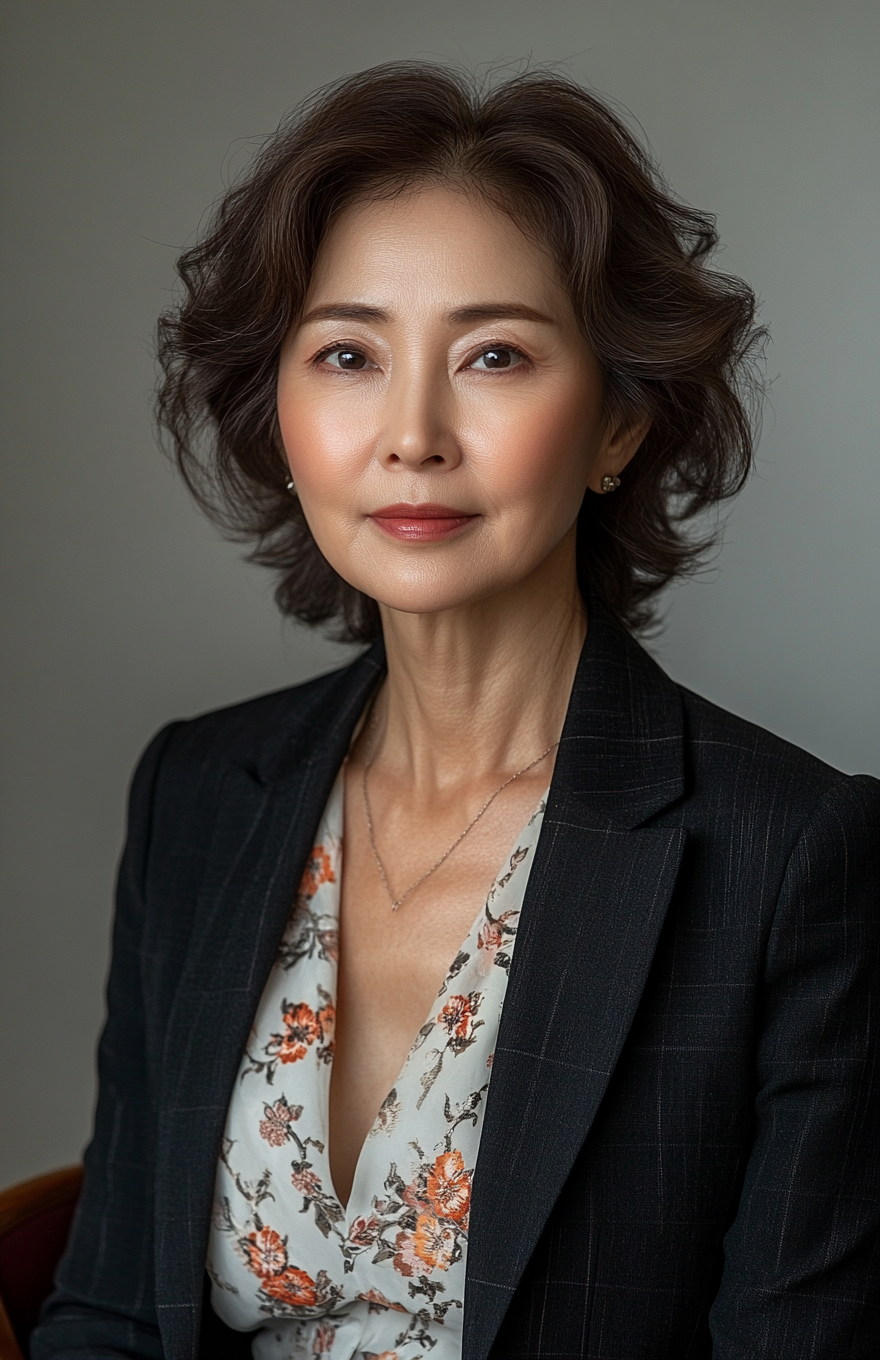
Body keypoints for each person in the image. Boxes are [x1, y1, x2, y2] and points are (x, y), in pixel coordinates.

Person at [33, 63, 878, 1360]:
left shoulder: (796, 858)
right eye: (349, 355)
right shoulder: (198, 793)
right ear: (285, 416)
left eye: (493, 354)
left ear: (617, 424)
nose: (412, 432)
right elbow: (103, 1309)